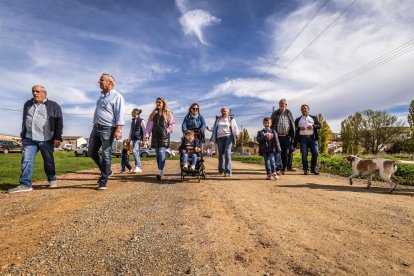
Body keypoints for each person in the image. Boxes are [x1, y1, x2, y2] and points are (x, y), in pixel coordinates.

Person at [8, 85, 63, 193]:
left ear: (44, 93)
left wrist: (57, 137)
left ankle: (52, 179)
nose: (35, 93)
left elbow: (59, 123)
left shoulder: (53, 105)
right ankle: (25, 184)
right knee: (26, 160)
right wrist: (23, 134)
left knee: (48, 161)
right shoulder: (28, 104)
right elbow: (25, 120)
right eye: (33, 91)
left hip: (46, 139)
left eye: (37, 91)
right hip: (29, 138)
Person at [88, 73, 125, 190]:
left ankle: (103, 180)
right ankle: (107, 171)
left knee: (106, 154)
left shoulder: (117, 96)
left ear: (110, 83)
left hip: (108, 128)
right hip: (96, 127)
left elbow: (119, 114)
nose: (99, 82)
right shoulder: (101, 97)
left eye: (101, 80)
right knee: (91, 152)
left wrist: (118, 129)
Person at [144, 97, 175, 180]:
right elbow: (149, 126)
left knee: (161, 153)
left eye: (159, 102)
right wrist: (147, 134)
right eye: (157, 102)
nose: (158, 104)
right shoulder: (153, 114)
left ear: (163, 103)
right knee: (158, 155)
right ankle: (160, 171)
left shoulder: (168, 113)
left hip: (164, 137)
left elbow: (172, 124)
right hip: (155, 137)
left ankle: (159, 171)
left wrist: (167, 130)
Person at [210, 107, 239, 177]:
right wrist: (209, 129)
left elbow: (235, 127)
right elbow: (214, 128)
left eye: (225, 111)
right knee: (221, 155)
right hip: (219, 138)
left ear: (228, 112)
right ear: (221, 112)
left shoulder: (231, 119)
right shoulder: (218, 119)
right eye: (222, 111)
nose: (224, 112)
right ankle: (221, 170)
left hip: (228, 137)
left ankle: (228, 171)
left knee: (227, 153)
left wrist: (237, 134)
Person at [270, 98, 295, 175]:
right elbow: (270, 123)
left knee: (286, 153)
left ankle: (283, 168)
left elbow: (292, 124)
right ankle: (278, 169)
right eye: (280, 103)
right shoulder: (275, 113)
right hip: (277, 136)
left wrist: (292, 136)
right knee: (277, 153)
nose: (281, 105)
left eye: (283, 104)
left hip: (287, 137)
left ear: (286, 105)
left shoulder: (289, 113)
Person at [294, 104, 321, 175]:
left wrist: (313, 126)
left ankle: (313, 168)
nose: (304, 110)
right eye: (302, 109)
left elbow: (319, 126)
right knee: (304, 154)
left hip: (313, 138)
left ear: (308, 110)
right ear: (301, 110)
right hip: (303, 139)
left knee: (315, 153)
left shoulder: (314, 118)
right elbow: (294, 128)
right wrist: (299, 128)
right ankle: (305, 169)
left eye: (305, 108)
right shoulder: (298, 119)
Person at [129, 108, 146, 173]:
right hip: (133, 138)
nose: (131, 113)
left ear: (135, 113)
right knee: (137, 152)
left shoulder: (141, 121)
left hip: (138, 138)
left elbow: (145, 131)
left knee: (134, 151)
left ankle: (137, 166)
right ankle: (139, 168)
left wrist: (144, 140)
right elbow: (131, 131)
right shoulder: (132, 121)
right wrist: (129, 139)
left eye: (132, 112)